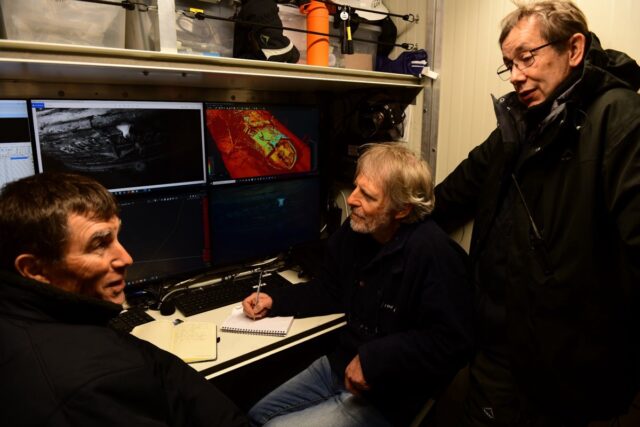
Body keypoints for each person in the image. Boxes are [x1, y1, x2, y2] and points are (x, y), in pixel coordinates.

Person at [431, 1, 640, 425]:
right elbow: (450, 196)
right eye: (508, 63)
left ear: (574, 49)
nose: (515, 75)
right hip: (499, 350)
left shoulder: (619, 118)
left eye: (526, 57)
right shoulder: (518, 124)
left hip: (571, 367)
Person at [241, 142, 474, 426]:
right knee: (256, 416)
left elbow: (453, 342)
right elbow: (329, 290)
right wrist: (276, 301)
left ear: (401, 210)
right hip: (341, 366)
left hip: (389, 393)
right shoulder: (355, 235)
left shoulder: (434, 254)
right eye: (356, 187)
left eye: (368, 195)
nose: (351, 200)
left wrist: (374, 360)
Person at [0, 172, 247, 427]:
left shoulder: (32, 317)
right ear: (35, 269)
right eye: (99, 243)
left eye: (117, 237)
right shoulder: (89, 385)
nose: (126, 258)